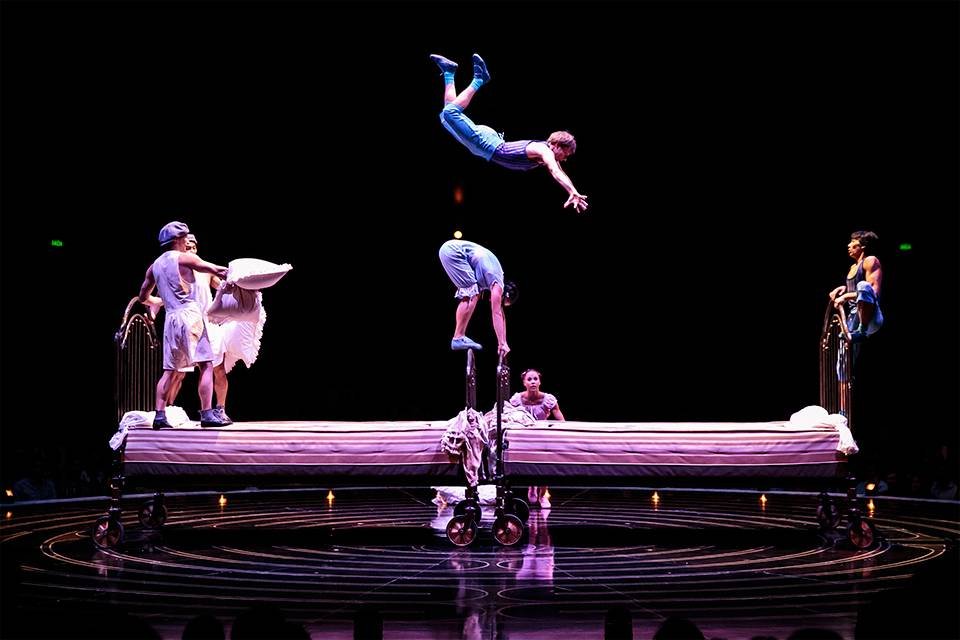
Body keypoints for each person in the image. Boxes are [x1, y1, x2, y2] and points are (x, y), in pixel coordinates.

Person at [430, 53, 589, 214]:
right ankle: (479, 79)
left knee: (446, 117)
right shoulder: (544, 150)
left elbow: (561, 173)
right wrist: (572, 192)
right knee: (450, 113)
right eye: (566, 153)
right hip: (486, 143)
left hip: (486, 146)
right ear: (556, 144)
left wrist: (573, 190)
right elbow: (555, 171)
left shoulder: (546, 154)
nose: (565, 158)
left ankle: (449, 72)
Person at [138, 221, 229, 429]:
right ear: (178, 240)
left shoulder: (154, 266)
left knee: (169, 370)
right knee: (206, 364)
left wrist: (160, 301)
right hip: (191, 316)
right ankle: (207, 413)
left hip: (171, 319)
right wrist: (236, 275)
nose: (187, 241)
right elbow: (215, 269)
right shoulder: (185, 258)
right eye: (185, 238)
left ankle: (159, 415)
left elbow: (143, 296)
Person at [163, 233, 232, 425]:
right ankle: (168, 410)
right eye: (187, 246)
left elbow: (223, 286)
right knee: (177, 371)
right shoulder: (175, 270)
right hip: (187, 324)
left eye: (194, 246)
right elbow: (167, 295)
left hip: (208, 324)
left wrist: (241, 288)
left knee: (217, 369)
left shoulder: (205, 269)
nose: (191, 249)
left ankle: (219, 409)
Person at [439, 238, 517, 357]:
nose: (493, 301)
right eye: (502, 302)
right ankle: (458, 337)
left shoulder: (489, 277)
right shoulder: (498, 284)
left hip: (450, 249)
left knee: (472, 292)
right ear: (505, 294)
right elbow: (497, 312)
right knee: (472, 292)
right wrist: (502, 343)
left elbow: (501, 313)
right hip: (453, 251)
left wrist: (504, 340)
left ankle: (459, 336)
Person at [510, 368, 565, 508]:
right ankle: (531, 485)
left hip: (542, 436)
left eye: (535, 379)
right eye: (529, 379)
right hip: (525, 437)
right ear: (524, 383)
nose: (533, 382)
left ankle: (543, 494)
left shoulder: (548, 399)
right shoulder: (517, 399)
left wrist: (562, 432)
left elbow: (560, 418)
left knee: (544, 464)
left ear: (539, 382)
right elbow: (508, 416)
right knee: (529, 463)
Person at [828, 230, 884, 344]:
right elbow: (857, 291)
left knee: (863, 285)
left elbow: (871, 291)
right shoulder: (853, 267)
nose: (849, 245)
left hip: (871, 317)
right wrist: (843, 288)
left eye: (853, 242)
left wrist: (845, 296)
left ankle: (862, 330)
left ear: (863, 246)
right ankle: (857, 332)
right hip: (853, 317)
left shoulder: (870, 260)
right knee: (844, 351)